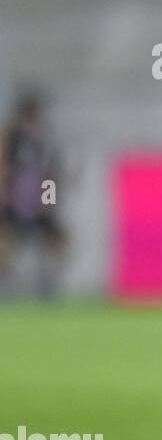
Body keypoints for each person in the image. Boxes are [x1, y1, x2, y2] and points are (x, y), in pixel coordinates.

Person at [0, 92, 67, 298]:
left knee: (59, 239)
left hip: (38, 206)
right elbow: (4, 168)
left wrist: (49, 202)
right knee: (5, 240)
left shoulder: (45, 140)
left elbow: (51, 175)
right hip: (14, 204)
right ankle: (5, 284)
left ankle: (47, 283)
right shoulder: (12, 138)